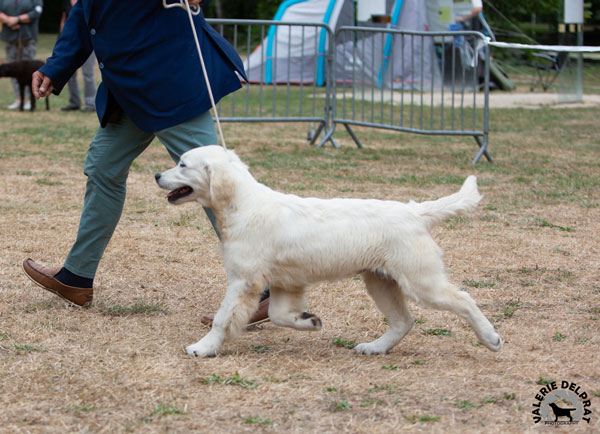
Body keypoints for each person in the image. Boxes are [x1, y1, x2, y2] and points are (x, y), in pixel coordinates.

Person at [23, 0, 269, 324]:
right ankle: (76, 277)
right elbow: (86, 12)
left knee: (216, 181)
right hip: (127, 91)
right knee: (103, 169)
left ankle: (263, 290)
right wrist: (56, 68)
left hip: (171, 84)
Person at [0, 0, 43, 110]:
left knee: (29, 72)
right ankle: (18, 98)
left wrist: (17, 19)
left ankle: (30, 99)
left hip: (27, 36)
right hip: (9, 35)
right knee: (12, 70)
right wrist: (9, 21)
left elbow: (37, 11)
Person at [60, 0, 96, 112]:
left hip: (88, 40)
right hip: (71, 41)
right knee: (69, 73)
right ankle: (74, 102)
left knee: (87, 72)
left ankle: (90, 103)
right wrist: (62, 38)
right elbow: (64, 19)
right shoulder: (66, 2)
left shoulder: (89, 2)